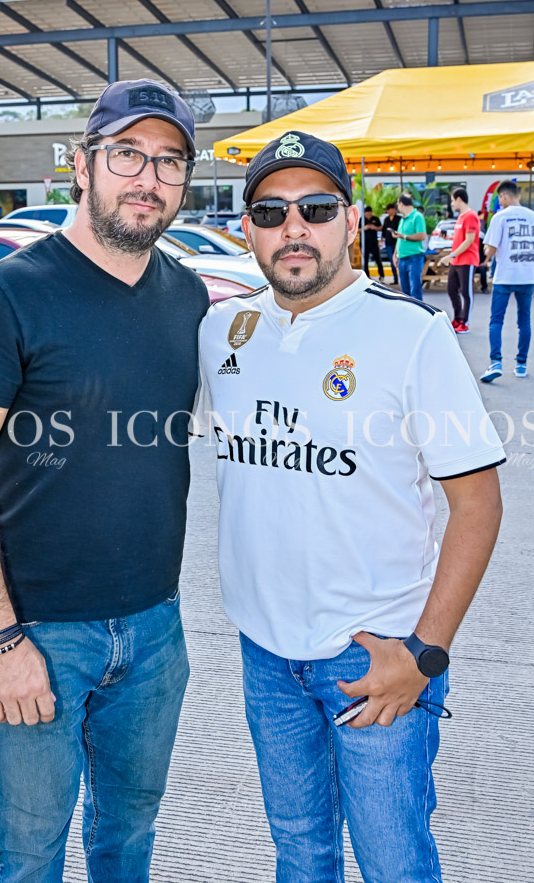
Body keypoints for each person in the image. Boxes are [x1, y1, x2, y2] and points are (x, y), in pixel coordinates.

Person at [191, 130, 505, 883]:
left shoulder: (411, 333)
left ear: (350, 220)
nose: (292, 228)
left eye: (315, 207)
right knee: (299, 856)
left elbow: (478, 505)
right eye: (269, 212)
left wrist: (423, 654)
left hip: (375, 656)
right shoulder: (220, 331)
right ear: (246, 230)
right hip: (264, 653)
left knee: (393, 865)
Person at [0, 79, 209, 882]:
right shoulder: (8, 295)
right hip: (38, 635)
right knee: (25, 856)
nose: (147, 177)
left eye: (168, 161)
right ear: (82, 166)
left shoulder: (187, 297)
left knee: (128, 843)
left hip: (155, 633)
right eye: (126, 154)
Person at [479, 179, 534, 382]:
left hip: (505, 275)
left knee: (496, 320)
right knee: (524, 320)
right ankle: (521, 365)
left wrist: (486, 255)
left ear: (504, 196)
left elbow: (490, 250)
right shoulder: (533, 217)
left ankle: (496, 362)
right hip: (527, 276)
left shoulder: (501, 217)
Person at [438, 187, 480, 334]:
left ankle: (464, 322)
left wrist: (452, 255)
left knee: (465, 292)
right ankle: (457, 318)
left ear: (459, 199)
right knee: (452, 289)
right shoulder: (461, 217)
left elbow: (469, 240)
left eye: (452, 200)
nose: (451, 204)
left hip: (467, 260)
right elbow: (460, 238)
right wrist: (448, 238)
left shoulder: (471, 216)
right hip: (456, 261)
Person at [392, 192, 426, 300]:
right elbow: (399, 239)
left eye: (398, 204)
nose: (398, 207)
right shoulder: (402, 219)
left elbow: (422, 235)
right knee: (405, 291)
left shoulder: (417, 216)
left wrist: (404, 236)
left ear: (401, 204)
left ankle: (419, 315)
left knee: (415, 289)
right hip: (402, 258)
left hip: (414, 257)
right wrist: (395, 254)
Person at [362, 205, 384, 280]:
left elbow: (381, 228)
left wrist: (374, 227)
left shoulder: (375, 219)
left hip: (374, 243)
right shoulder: (361, 220)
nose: (368, 215)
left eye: (369, 213)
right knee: (365, 260)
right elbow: (356, 230)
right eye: (366, 213)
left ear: (371, 212)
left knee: (378, 259)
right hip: (364, 244)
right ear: (364, 213)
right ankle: (367, 276)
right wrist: (364, 228)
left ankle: (382, 275)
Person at [381, 202, 400, 285]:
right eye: (388, 210)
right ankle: (395, 278)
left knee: (399, 261)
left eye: (391, 209)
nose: (389, 211)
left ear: (394, 210)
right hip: (388, 243)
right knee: (392, 262)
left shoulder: (399, 219)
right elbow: (384, 231)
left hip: (398, 243)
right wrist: (381, 240)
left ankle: (401, 278)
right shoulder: (386, 219)